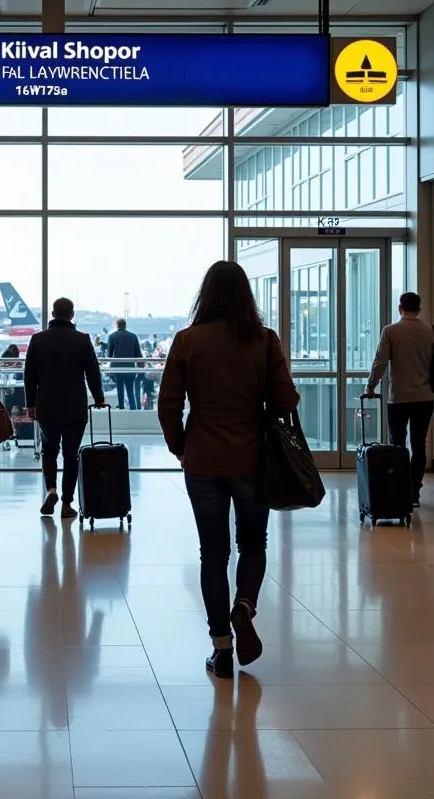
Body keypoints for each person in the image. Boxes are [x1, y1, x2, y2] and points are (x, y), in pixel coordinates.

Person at [158, 261, 299, 679]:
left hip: (202, 458)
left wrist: (181, 446)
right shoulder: (264, 340)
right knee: (253, 543)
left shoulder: (187, 341)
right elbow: (285, 401)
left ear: (206, 294)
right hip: (253, 458)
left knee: (212, 553)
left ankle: (221, 650)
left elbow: (168, 405)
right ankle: (245, 607)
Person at [24, 298, 106, 518]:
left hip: (47, 406)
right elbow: (92, 372)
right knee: (71, 456)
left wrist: (30, 404)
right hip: (74, 407)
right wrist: (98, 398)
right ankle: (67, 504)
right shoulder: (81, 340)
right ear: (72, 315)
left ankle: (51, 490)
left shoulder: (38, 340)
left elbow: (29, 376)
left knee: (49, 451)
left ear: (53, 313)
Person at [362, 291, 434, 507]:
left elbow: (380, 362)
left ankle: (400, 487)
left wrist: (370, 386)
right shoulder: (429, 330)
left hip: (399, 398)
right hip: (424, 397)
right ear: (419, 309)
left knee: (398, 444)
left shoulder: (391, 331)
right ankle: (415, 490)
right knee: (419, 444)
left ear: (399, 307)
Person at [108, 318, 143, 410]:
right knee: (130, 391)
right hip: (130, 368)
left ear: (117, 325)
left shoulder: (112, 336)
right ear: (125, 325)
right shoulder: (133, 336)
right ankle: (133, 410)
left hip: (117, 369)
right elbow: (138, 354)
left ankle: (121, 408)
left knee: (120, 391)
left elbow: (109, 355)